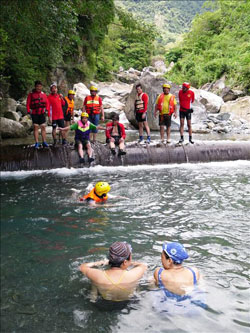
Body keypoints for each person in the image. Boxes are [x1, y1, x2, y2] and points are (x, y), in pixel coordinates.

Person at [80, 241, 147, 301]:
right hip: (128, 303)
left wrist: (100, 262)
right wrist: (131, 263)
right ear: (125, 262)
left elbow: (82, 267)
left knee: (93, 283)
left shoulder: (98, 275)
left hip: (104, 303)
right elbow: (144, 265)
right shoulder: (134, 274)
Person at [26, 80, 49, 148]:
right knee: (36, 127)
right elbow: (28, 104)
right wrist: (28, 111)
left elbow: (47, 103)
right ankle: (37, 142)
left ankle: (44, 141)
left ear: (41, 87)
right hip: (34, 113)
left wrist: (47, 110)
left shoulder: (44, 94)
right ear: (35, 87)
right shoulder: (31, 94)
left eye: (40, 86)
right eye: (37, 86)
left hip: (42, 113)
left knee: (43, 127)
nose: (38, 88)